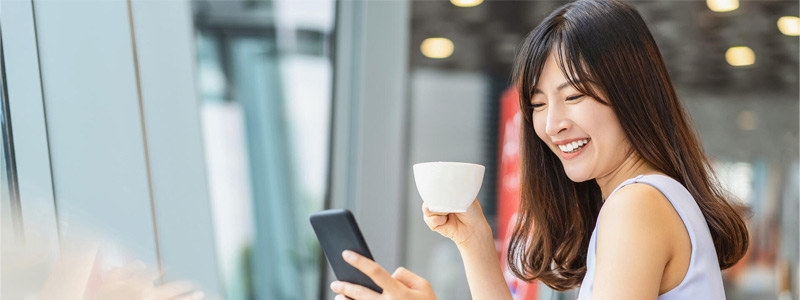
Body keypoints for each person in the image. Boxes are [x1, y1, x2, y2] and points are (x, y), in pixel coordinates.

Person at [329, 0, 750, 299]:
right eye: (537, 103)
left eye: (574, 95)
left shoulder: (637, 205)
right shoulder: (650, 199)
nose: (552, 124)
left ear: (631, 92)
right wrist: (475, 241)